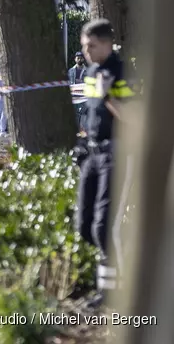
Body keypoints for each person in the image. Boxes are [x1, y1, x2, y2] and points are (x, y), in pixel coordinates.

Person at [72, 19, 135, 306]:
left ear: (108, 44)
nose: (85, 51)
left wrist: (108, 93)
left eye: (91, 46)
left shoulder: (121, 73)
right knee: (84, 225)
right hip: (93, 153)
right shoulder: (90, 71)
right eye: (84, 46)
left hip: (118, 153)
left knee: (104, 226)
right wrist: (82, 141)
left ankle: (112, 293)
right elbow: (91, 113)